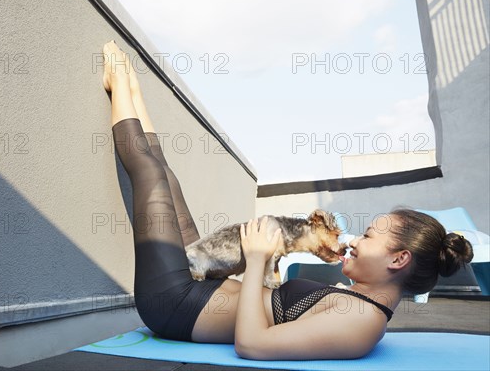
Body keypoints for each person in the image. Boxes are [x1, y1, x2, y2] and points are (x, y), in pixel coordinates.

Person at [101, 40, 474, 360]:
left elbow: (252, 344)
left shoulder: (362, 322)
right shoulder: (360, 304)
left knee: (151, 178)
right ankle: (131, 92)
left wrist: (259, 256)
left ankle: (119, 82)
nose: (355, 241)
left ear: (398, 258)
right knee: (167, 182)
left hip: (176, 305)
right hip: (196, 287)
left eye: (370, 236)